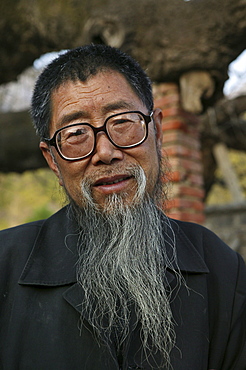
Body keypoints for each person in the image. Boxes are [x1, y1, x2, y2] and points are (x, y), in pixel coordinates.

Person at [0, 44, 245, 370]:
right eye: (76, 133)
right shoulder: (5, 268)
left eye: (123, 122)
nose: (105, 151)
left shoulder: (223, 273)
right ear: (53, 162)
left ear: (156, 133)